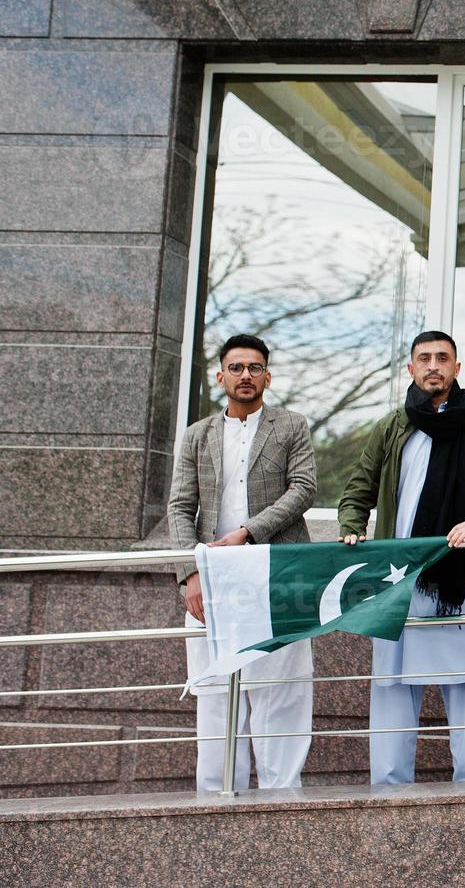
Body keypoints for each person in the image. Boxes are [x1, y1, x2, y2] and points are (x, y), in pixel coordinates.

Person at [337, 330, 465, 784]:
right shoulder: (393, 426)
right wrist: (352, 528)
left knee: (463, 681)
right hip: (397, 575)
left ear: (457, 367)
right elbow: (359, 489)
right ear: (410, 369)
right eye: (424, 358)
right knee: (392, 681)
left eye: (443, 358)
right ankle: (389, 785)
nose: (433, 365)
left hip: (460, 573)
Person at [167, 333, 316, 792]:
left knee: (280, 687)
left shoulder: (291, 425)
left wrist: (248, 532)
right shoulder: (198, 435)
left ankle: (281, 796)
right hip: (213, 577)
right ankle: (215, 797)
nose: (245, 375)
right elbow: (178, 507)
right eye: (236, 368)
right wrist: (190, 574)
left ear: (267, 376)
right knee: (214, 691)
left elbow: (304, 488)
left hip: (277, 572)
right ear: (220, 377)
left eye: (254, 368)